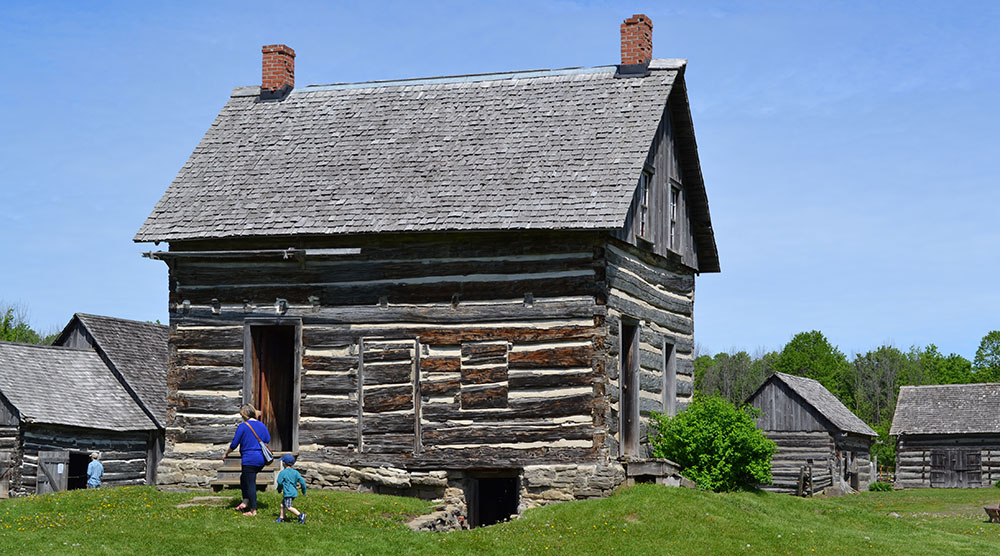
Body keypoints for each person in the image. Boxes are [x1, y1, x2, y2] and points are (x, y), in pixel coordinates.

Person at [222, 404, 271, 516]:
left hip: (249, 459)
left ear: (243, 415)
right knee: (244, 478)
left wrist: (226, 453)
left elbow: (234, 444)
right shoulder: (262, 425)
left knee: (250, 483)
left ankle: (253, 510)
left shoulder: (243, 427)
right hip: (261, 459)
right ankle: (245, 502)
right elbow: (267, 439)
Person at [274, 454, 307, 524]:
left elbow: (279, 482)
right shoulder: (296, 472)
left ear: (283, 463)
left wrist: (279, 490)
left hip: (288, 493)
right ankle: (281, 518)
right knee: (282, 505)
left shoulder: (283, 473)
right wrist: (304, 491)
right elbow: (303, 482)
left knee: (288, 507)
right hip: (293, 492)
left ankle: (301, 515)